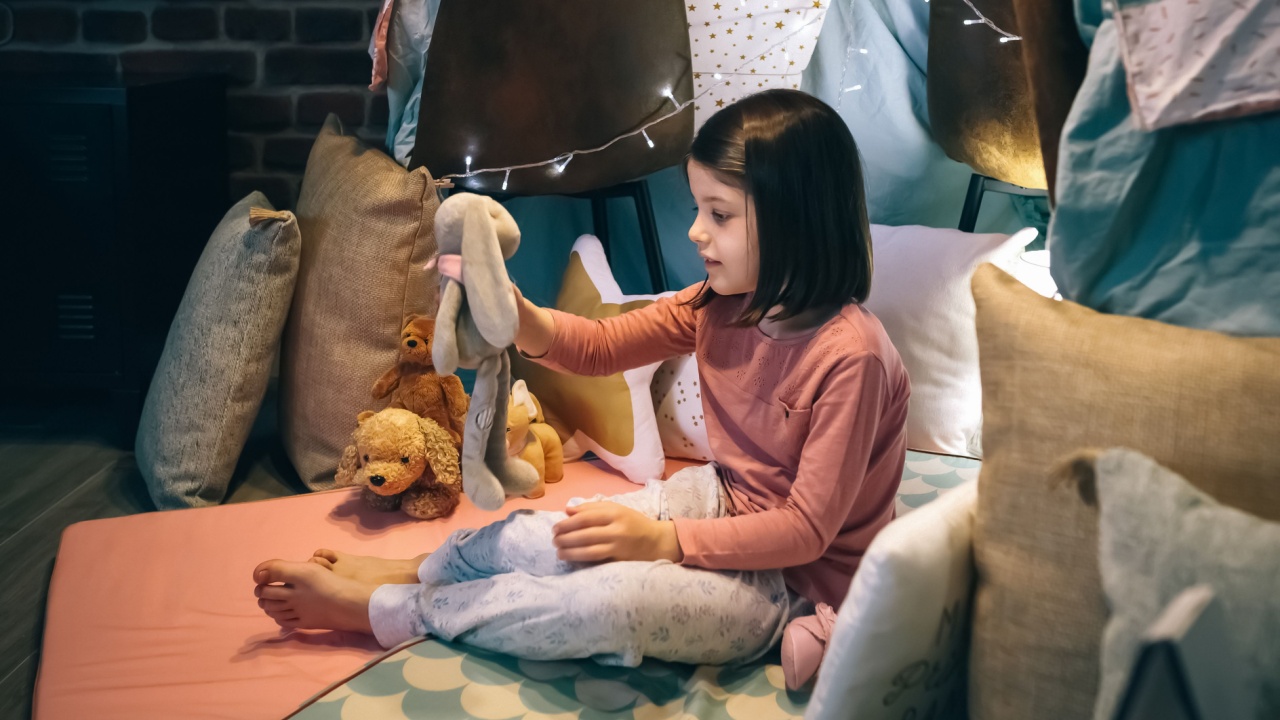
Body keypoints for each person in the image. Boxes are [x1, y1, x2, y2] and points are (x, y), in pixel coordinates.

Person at [252, 89, 910, 678]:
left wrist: (663, 543)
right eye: (696, 208)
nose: (695, 232)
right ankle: (421, 569)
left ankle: (398, 610)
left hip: (791, 582)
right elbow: (599, 347)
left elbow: (805, 530)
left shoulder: (852, 358)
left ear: (796, 219)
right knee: (542, 537)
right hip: (716, 503)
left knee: (605, 605)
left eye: (720, 214)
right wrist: (515, 316)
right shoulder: (724, 302)